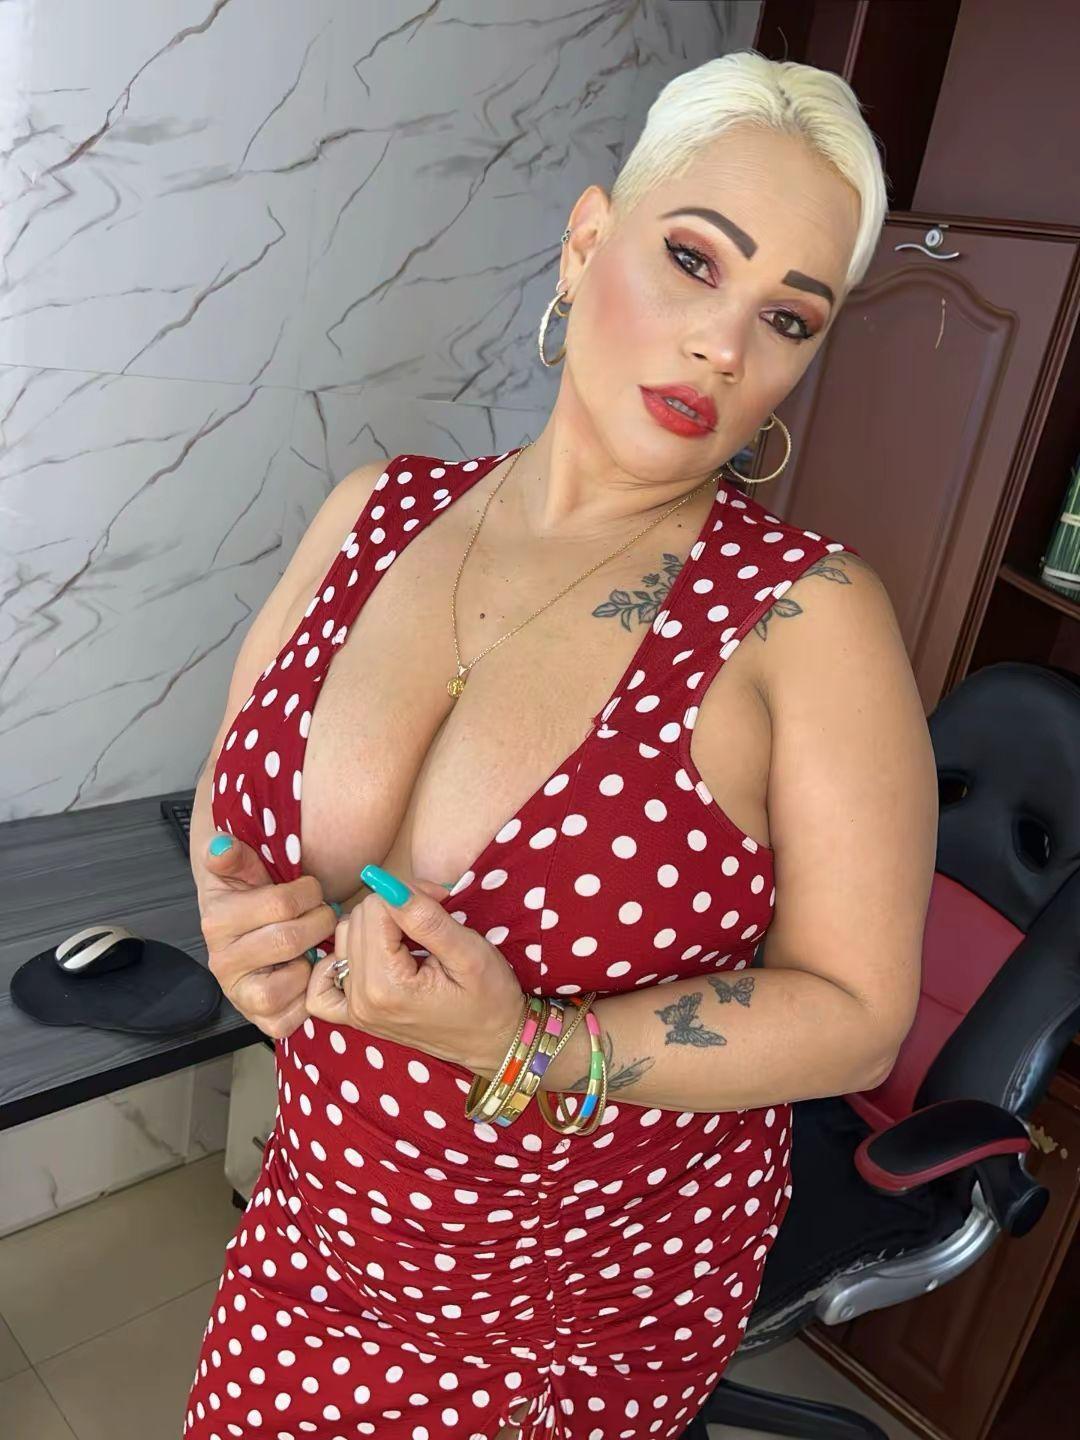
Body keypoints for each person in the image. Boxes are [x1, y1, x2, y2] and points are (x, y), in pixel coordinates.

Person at [183, 48, 936, 1440]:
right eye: (694, 261)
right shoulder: (373, 510)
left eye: (787, 317)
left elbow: (857, 1014)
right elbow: (235, 793)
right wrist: (237, 924)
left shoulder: (806, 620)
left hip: (568, 1308)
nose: (725, 347)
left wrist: (530, 1042)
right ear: (588, 245)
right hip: (316, 1227)